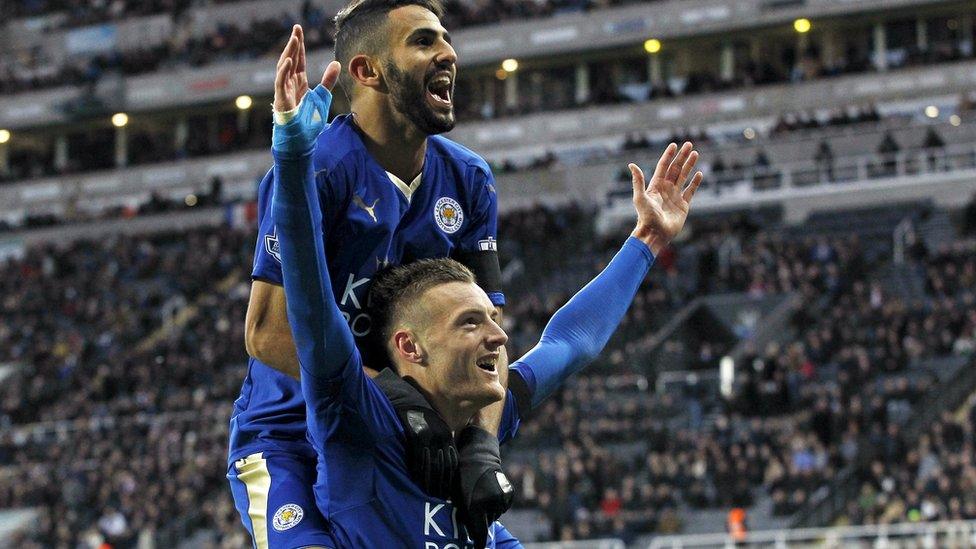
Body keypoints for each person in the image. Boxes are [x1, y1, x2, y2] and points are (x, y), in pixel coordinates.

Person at [271, 62, 703, 545]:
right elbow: (308, 300)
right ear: (411, 348)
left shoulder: (480, 415)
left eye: (489, 321)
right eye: (469, 323)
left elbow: (573, 342)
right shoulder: (357, 413)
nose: (498, 336)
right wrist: (293, 163)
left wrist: (647, 240)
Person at [228, 2, 512, 546]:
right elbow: (265, 333)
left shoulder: (469, 180)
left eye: (446, 40)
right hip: (290, 438)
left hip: (404, 442)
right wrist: (388, 395)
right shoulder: (320, 169)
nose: (449, 53)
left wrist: (481, 445)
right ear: (367, 71)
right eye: (425, 42)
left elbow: (492, 334)